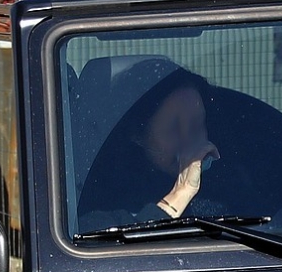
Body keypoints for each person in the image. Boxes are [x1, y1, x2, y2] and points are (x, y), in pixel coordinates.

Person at [80, 68, 262, 227]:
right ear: (138, 135)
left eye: (197, 126)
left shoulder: (229, 187)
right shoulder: (101, 196)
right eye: (174, 129)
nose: (188, 141)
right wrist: (181, 193)